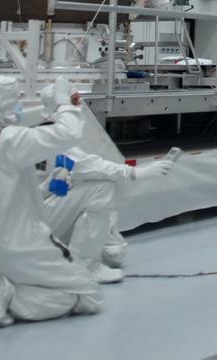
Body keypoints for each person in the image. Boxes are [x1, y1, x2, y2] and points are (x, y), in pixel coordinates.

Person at [0, 75, 103, 326]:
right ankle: (8, 295)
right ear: (6, 103)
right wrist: (63, 103)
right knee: (88, 294)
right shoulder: (9, 139)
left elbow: (4, 189)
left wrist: (45, 187)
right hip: (22, 243)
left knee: (41, 279)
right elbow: (68, 133)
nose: (20, 105)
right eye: (17, 99)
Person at [36, 84, 175, 283]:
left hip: (43, 212)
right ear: (60, 106)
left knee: (115, 252)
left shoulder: (42, 134)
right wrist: (137, 172)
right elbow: (91, 166)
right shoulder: (54, 139)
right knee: (102, 186)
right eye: (75, 101)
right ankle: (86, 265)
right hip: (40, 220)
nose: (80, 106)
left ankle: (94, 250)